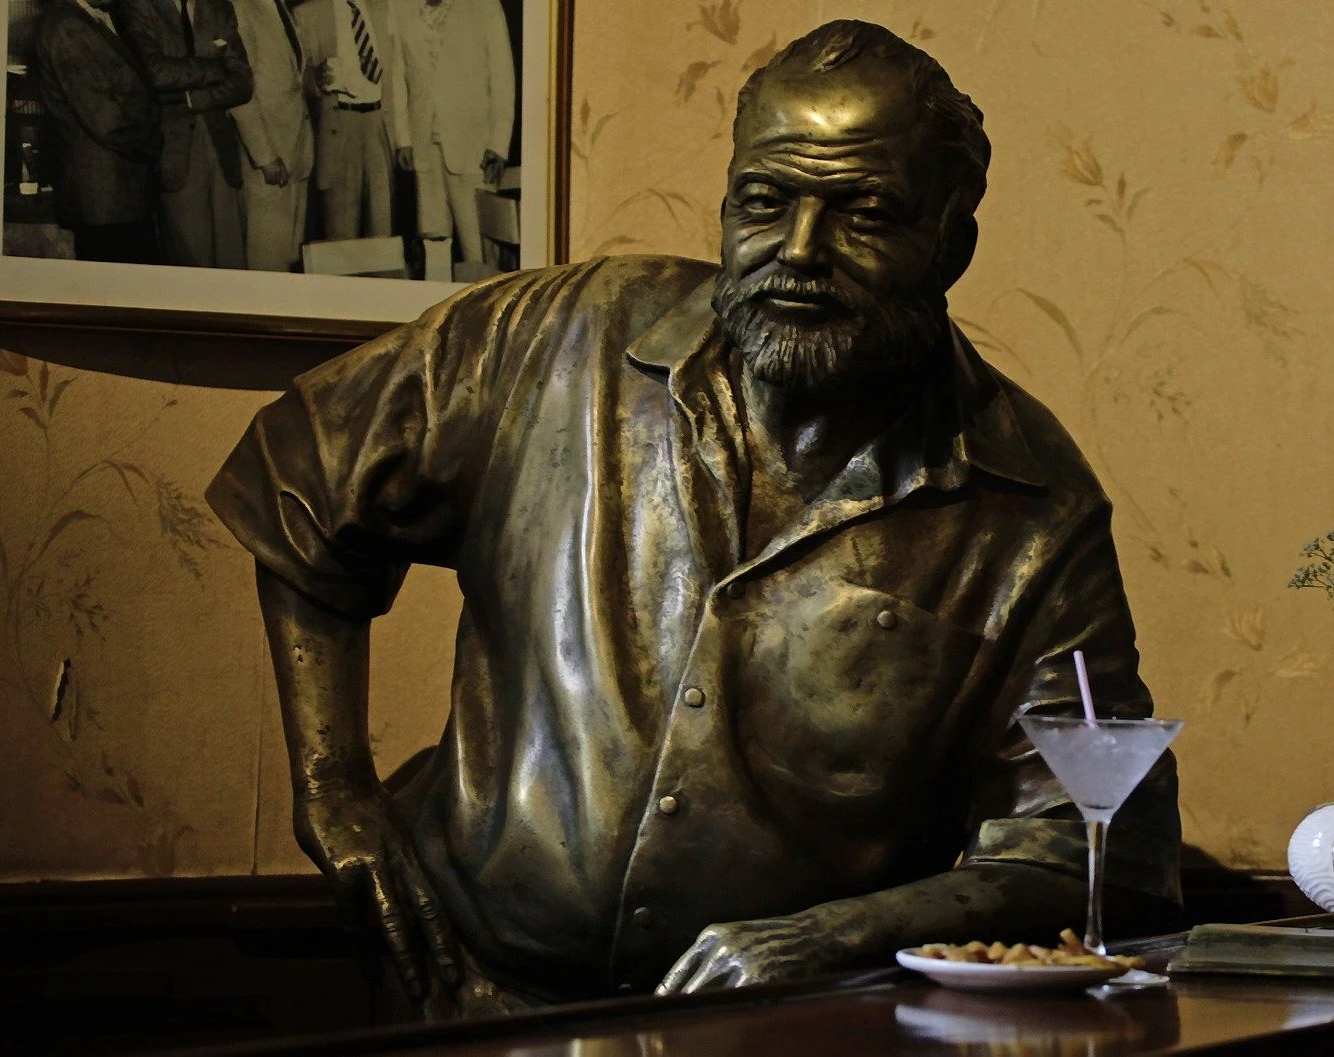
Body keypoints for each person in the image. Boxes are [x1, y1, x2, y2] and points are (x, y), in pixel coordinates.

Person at [208, 20, 1181, 1016]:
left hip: (781, 1037)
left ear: (951, 241)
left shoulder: (1026, 506)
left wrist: (834, 933)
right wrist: (332, 786)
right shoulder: (558, 335)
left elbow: (1092, 849)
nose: (799, 252)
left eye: (864, 212)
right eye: (765, 202)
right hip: (462, 999)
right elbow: (302, 481)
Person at [117, 0, 252, 268]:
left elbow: (243, 83)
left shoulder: (218, 6)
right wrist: (215, 69)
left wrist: (191, 99)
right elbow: (155, 73)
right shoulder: (138, 6)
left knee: (232, 260)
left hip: (221, 151)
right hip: (174, 153)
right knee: (189, 261)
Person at [33, 0, 162, 264]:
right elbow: (108, 122)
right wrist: (157, 142)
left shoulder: (84, 20)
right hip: (107, 202)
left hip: (115, 200)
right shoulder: (67, 26)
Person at [394, 0, 515, 268]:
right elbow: (397, 75)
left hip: (474, 148)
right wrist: (403, 139)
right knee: (433, 242)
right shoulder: (402, 8)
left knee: (478, 247)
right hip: (424, 146)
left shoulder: (485, 8)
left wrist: (498, 143)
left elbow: (502, 77)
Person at [292, 0, 409, 241]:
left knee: (383, 229)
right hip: (338, 127)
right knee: (341, 236)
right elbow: (294, 77)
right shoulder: (308, 13)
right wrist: (314, 77)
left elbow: (396, 74)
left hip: (378, 127)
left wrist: (402, 139)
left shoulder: (383, 9)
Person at [228, 0, 314, 272]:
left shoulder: (279, 7)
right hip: (268, 158)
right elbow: (241, 92)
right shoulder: (241, 7)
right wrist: (263, 156)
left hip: (296, 152)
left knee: (289, 257)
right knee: (267, 259)